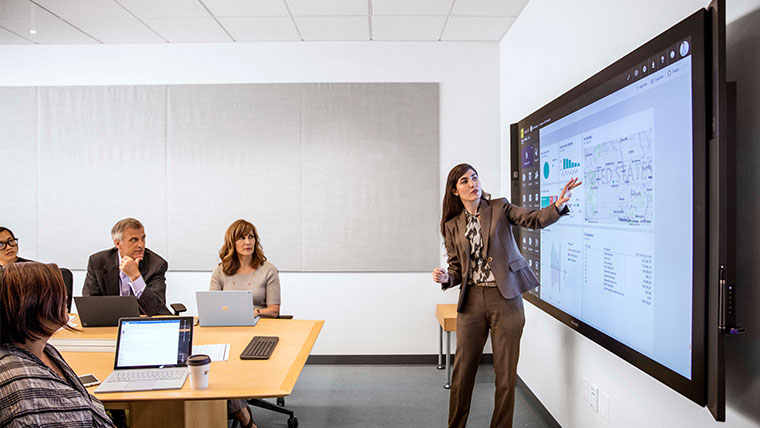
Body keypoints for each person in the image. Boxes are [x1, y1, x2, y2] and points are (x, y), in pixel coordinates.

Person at [432, 163, 580, 428]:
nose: (472, 184)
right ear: (455, 191)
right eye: (464, 181)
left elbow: (532, 219)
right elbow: (456, 268)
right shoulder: (452, 225)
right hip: (472, 301)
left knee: (505, 375)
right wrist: (447, 277)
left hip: (506, 299)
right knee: (462, 374)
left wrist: (556, 207)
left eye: (475, 177)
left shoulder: (499, 208)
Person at [0, 262, 114, 427]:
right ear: (30, 304)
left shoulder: (46, 350)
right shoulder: (21, 384)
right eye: (57, 293)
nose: (66, 297)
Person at [210, 219, 282, 428]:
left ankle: (242, 414)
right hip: (228, 328)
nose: (247, 241)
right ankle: (240, 409)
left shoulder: (268, 269)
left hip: (260, 327)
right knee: (219, 360)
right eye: (241, 237)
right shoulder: (220, 270)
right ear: (232, 242)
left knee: (232, 362)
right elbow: (212, 304)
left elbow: (274, 310)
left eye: (251, 237)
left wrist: (255, 312)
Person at [82, 218, 171, 316]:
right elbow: (89, 305)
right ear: (117, 243)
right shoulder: (97, 262)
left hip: (141, 324)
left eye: (143, 238)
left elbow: (155, 310)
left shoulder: (156, 265)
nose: (141, 245)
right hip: (108, 323)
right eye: (134, 240)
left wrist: (136, 278)